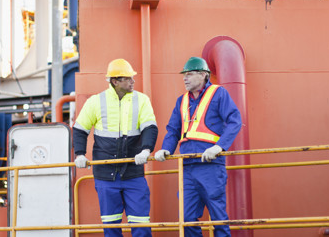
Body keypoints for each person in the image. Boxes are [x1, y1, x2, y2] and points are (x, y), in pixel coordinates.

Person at [154, 57, 242, 237]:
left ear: (203, 75)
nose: (185, 78)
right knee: (186, 219)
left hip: (210, 165)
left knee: (218, 218)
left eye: (189, 74)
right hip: (187, 167)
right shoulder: (182, 101)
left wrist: (219, 147)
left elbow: (235, 121)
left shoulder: (219, 93)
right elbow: (173, 129)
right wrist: (166, 149)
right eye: (184, 75)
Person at [73, 58, 158, 237]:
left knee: (141, 225)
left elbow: (150, 127)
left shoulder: (141, 100)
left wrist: (146, 150)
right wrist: (80, 154)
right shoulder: (96, 101)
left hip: (133, 174)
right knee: (111, 227)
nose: (133, 81)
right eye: (128, 78)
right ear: (115, 81)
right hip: (105, 176)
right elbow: (80, 129)